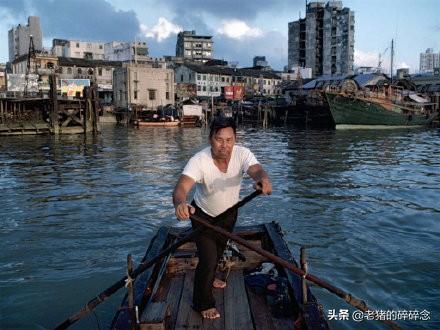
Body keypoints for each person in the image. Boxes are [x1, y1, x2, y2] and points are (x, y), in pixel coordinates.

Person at [172, 116, 272, 320]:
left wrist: (262, 179)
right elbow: (181, 188)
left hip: (229, 214)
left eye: (229, 140)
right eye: (219, 139)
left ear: (235, 139)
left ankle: (211, 278)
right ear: (210, 139)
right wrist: (180, 203)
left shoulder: (242, 153)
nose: (224, 145)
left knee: (218, 251)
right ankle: (202, 302)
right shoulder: (199, 160)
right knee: (208, 259)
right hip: (203, 217)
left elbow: (256, 170)